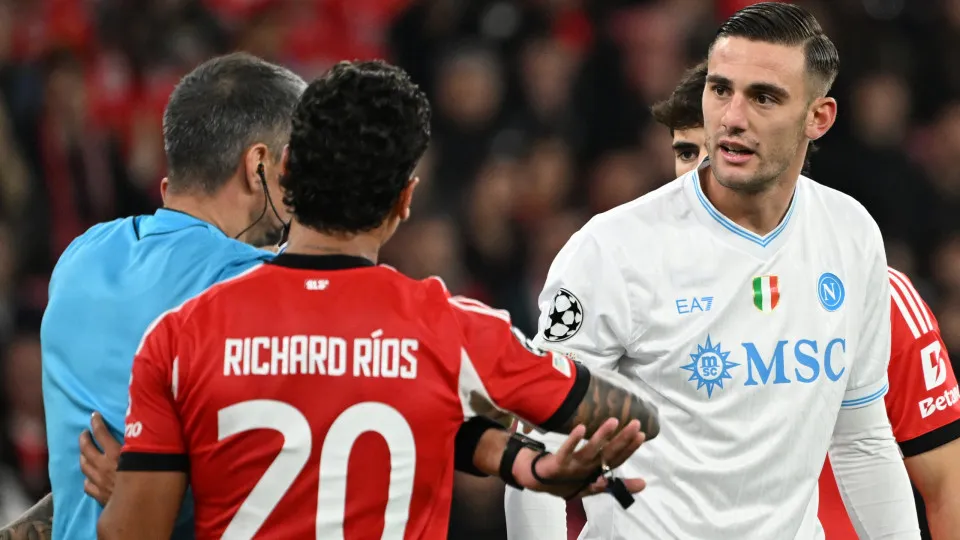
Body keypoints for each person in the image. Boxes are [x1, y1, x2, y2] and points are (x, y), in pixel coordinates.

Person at [96, 60, 660, 540]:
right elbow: (632, 414)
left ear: (285, 169)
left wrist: (127, 498)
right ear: (405, 200)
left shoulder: (180, 336)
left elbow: (131, 535)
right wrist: (498, 446)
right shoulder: (454, 333)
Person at [505, 3, 923, 539]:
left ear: (818, 118)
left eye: (764, 97)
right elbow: (539, 441)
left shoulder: (850, 234)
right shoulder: (613, 250)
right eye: (721, 89)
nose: (732, 117)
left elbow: (862, 439)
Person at [648, 58, 960, 540]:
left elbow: (947, 487)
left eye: (725, 151)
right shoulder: (634, 295)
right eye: (688, 153)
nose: (703, 174)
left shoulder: (878, 295)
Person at [30, 52, 307, 540]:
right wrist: (149, 500)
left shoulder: (79, 258)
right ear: (258, 164)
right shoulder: (262, 288)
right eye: (293, 166)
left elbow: (79, 467)